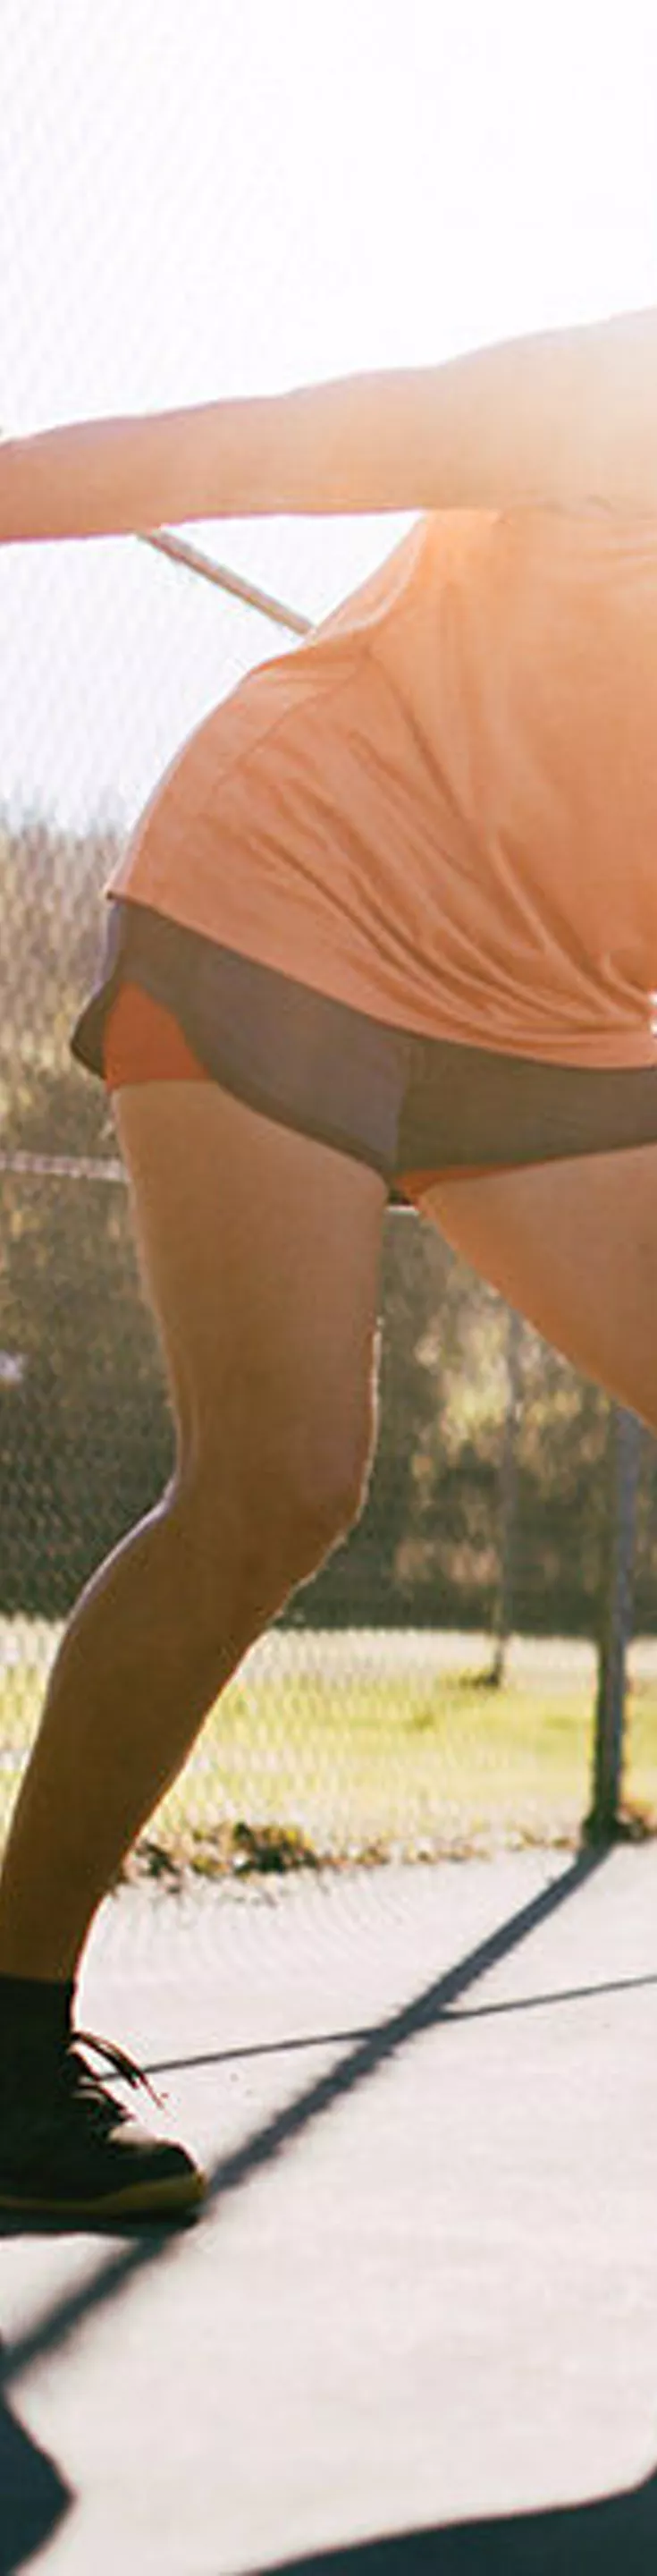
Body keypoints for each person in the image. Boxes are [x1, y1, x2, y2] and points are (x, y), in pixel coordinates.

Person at [2, 304, 657, 2223]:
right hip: (297, 893)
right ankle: (3, 2035)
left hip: (556, 1012)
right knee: (281, 1478)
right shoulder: (614, 397)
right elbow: (250, 446)